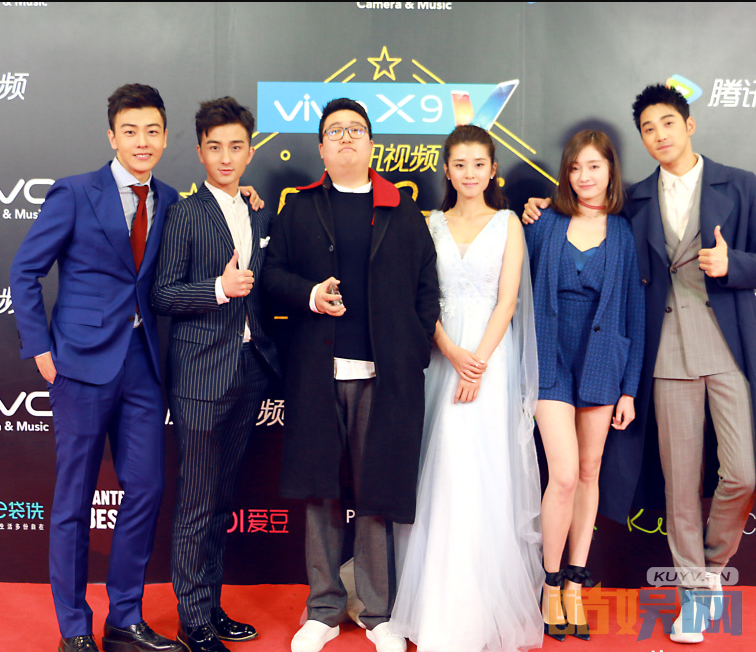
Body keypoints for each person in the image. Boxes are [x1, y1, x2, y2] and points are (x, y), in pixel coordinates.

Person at [524, 85, 756, 644]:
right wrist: (534, 208)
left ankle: (711, 567)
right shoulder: (636, 201)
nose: (659, 135)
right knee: (678, 486)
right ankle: (692, 594)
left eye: (667, 123)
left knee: (742, 474)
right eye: (648, 128)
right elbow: (572, 222)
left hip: (722, 345)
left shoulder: (740, 185)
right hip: (662, 353)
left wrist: (735, 264)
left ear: (689, 125)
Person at [262, 97, 439, 652]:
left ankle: (378, 612)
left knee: (377, 491)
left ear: (370, 144)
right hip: (316, 373)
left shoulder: (401, 210)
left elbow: (427, 289)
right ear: (321, 147)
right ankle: (323, 609)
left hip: (384, 377)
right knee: (319, 491)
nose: (345, 138)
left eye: (355, 130)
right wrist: (310, 294)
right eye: (334, 131)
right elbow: (271, 277)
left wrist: (412, 350)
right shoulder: (299, 208)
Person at [9, 84, 182, 652]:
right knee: (73, 499)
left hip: (143, 364)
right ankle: (74, 628)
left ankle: (125, 619)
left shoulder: (171, 200)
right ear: (112, 137)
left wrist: (244, 198)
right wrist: (40, 347)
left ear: (164, 138)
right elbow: (25, 271)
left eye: (152, 131)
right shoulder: (75, 192)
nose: (141, 141)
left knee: (146, 489)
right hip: (79, 364)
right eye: (130, 131)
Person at [388, 125, 543, 652]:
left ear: (493, 169)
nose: (470, 173)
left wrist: (476, 363)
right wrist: (452, 353)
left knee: (481, 474)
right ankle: (435, 607)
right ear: (447, 170)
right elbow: (419, 296)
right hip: (439, 356)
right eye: (460, 164)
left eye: (479, 164)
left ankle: (477, 613)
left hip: (490, 363)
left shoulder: (508, 224)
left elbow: (508, 300)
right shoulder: (429, 224)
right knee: (440, 473)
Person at [150, 97, 279, 652]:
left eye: (236, 147)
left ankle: (210, 606)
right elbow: (162, 294)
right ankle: (192, 620)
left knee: (222, 500)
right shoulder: (184, 213)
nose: (225, 157)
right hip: (201, 375)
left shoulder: (258, 211)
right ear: (200, 151)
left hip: (250, 370)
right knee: (198, 502)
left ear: (250, 152)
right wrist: (219, 289)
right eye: (214, 147)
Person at [523, 130, 644, 642]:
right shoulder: (543, 223)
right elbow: (518, 295)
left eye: (594, 166)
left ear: (610, 170)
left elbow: (634, 314)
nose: (584, 176)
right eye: (575, 168)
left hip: (601, 365)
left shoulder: (623, 233)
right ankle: (550, 582)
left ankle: (575, 583)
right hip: (549, 363)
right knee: (566, 475)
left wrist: (629, 388)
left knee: (590, 472)